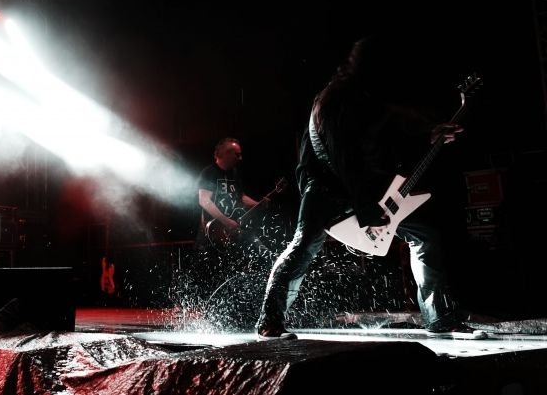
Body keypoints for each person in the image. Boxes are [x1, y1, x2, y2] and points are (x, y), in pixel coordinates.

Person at [255, 36, 486, 340]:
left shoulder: (368, 98)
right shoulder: (333, 98)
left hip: (364, 185)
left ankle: (439, 318)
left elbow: (394, 121)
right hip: (325, 185)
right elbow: (342, 157)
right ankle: (269, 322)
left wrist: (430, 131)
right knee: (304, 245)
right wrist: (365, 208)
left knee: (425, 236)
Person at [193, 138, 276, 304]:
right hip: (213, 233)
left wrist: (257, 204)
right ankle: (205, 305)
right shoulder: (209, 173)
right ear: (225, 153)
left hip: (235, 230)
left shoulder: (234, 174)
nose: (240, 158)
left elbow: (240, 197)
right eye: (237, 154)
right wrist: (226, 221)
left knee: (263, 255)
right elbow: (204, 200)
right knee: (211, 272)